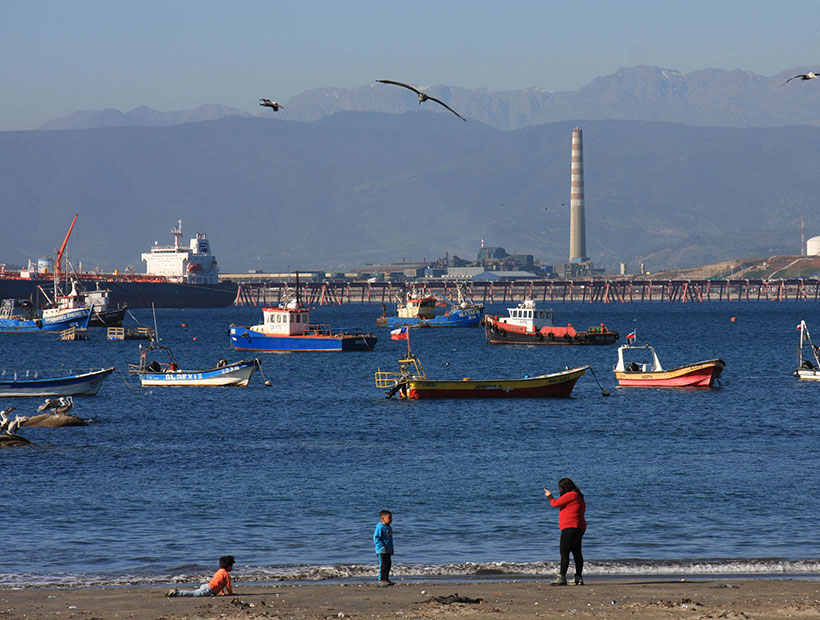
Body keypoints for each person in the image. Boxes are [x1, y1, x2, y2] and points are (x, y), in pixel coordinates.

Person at [544, 478, 586, 586]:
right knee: (576, 552)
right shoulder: (579, 496)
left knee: (564, 552)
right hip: (578, 526)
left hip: (570, 527)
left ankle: (562, 577)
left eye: (560, 488)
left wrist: (549, 496)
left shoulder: (571, 495)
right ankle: (578, 577)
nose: (560, 490)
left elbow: (555, 503)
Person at [166, 555, 234, 597]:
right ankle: (178, 593)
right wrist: (230, 593)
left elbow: (219, 583)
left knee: (194, 592)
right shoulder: (226, 574)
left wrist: (221, 592)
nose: (232, 568)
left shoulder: (219, 571)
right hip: (208, 590)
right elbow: (228, 586)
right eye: (231, 566)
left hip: (207, 586)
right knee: (193, 594)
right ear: (228, 566)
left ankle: (177, 592)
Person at [373, 509, 394, 586]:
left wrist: (391, 549)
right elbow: (376, 538)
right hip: (381, 550)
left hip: (388, 549)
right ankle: (382, 579)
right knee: (383, 565)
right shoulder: (380, 527)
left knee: (388, 564)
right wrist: (381, 547)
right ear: (382, 518)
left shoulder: (389, 527)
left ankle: (386, 578)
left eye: (391, 518)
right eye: (389, 518)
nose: (391, 520)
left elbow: (390, 539)